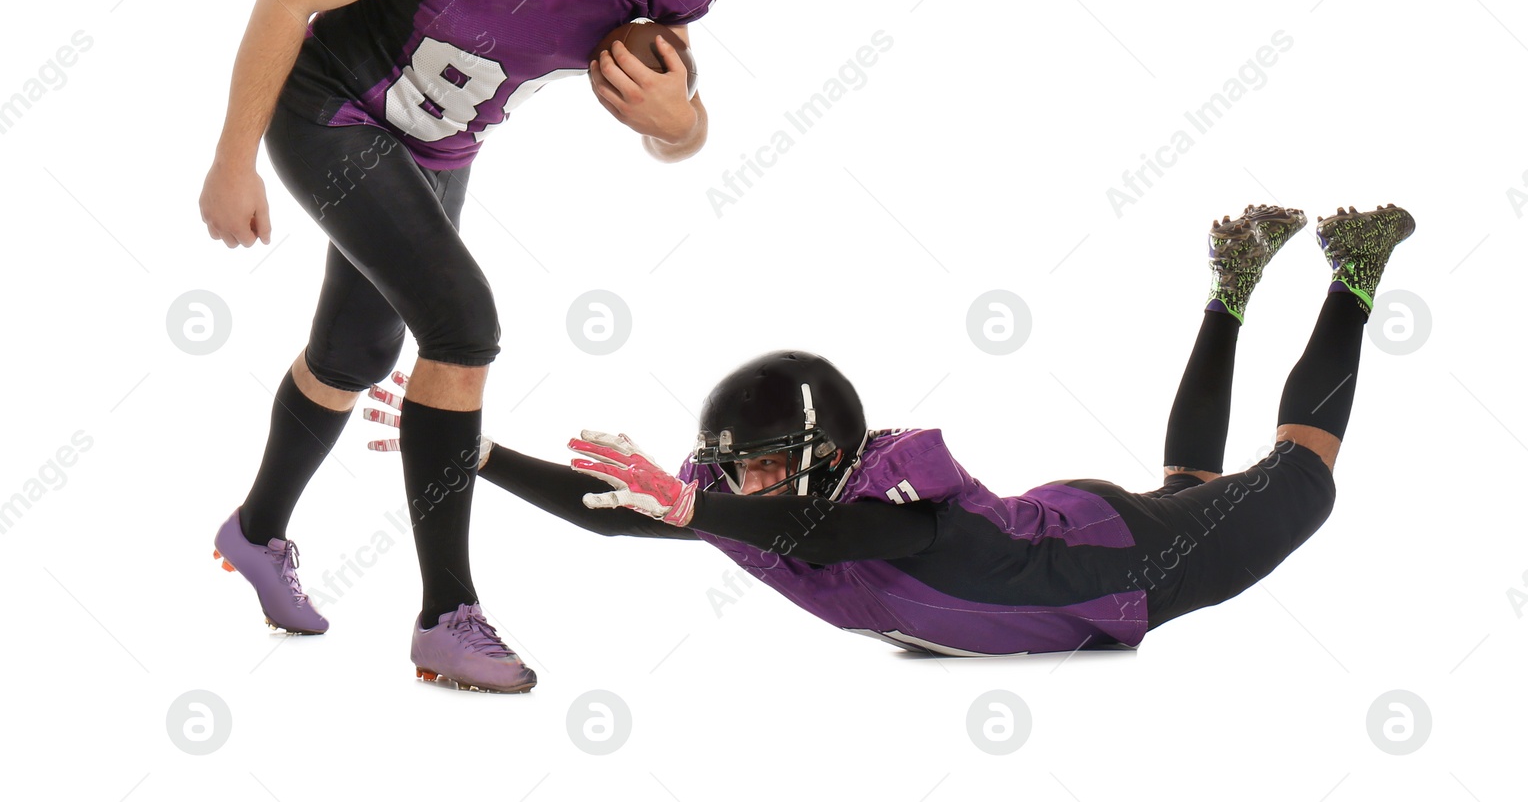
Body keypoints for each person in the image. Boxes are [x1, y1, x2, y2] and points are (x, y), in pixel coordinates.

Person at [200, 0, 732, 693]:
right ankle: (447, 613)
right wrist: (233, 162)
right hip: (333, 110)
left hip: (440, 141)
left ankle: (257, 529)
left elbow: (677, 133)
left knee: (355, 355)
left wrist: (679, 118)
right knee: (463, 323)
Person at [394, 202, 1413, 662]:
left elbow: (836, 538)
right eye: (736, 468)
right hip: (1076, 531)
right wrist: (474, 451)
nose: (744, 485)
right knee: (1185, 473)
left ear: (829, 461)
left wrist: (700, 504)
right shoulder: (758, 505)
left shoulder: (886, 510)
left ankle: (1354, 268)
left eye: (765, 467)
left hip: (1135, 565)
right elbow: (617, 517)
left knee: (1297, 476)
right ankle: (1231, 287)